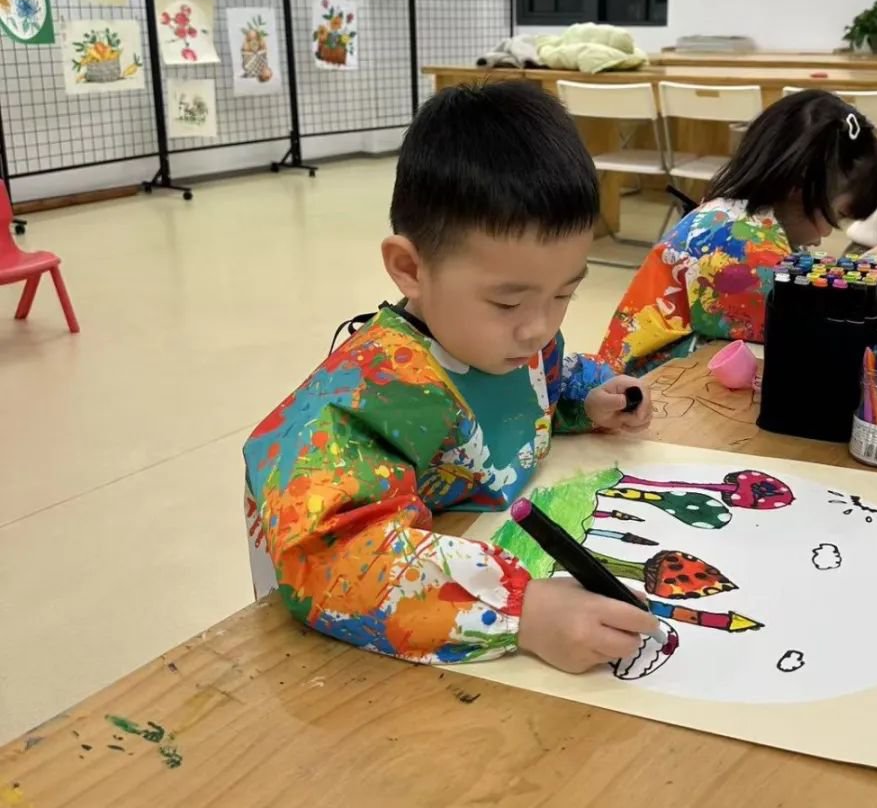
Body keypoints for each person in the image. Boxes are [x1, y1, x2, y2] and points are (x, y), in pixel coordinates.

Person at [243, 82, 658, 676]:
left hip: (476, 536)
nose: (539, 328)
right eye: (508, 303)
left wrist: (588, 398)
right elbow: (334, 558)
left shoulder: (509, 339)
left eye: (564, 294)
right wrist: (522, 612)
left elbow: (548, 379)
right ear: (410, 268)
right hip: (345, 660)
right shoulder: (363, 401)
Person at [598, 91, 877, 376]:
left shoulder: (741, 217)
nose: (824, 236)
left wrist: (869, 283)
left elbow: (805, 282)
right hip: (647, 389)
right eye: (836, 216)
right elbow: (806, 328)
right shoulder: (736, 242)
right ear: (800, 186)